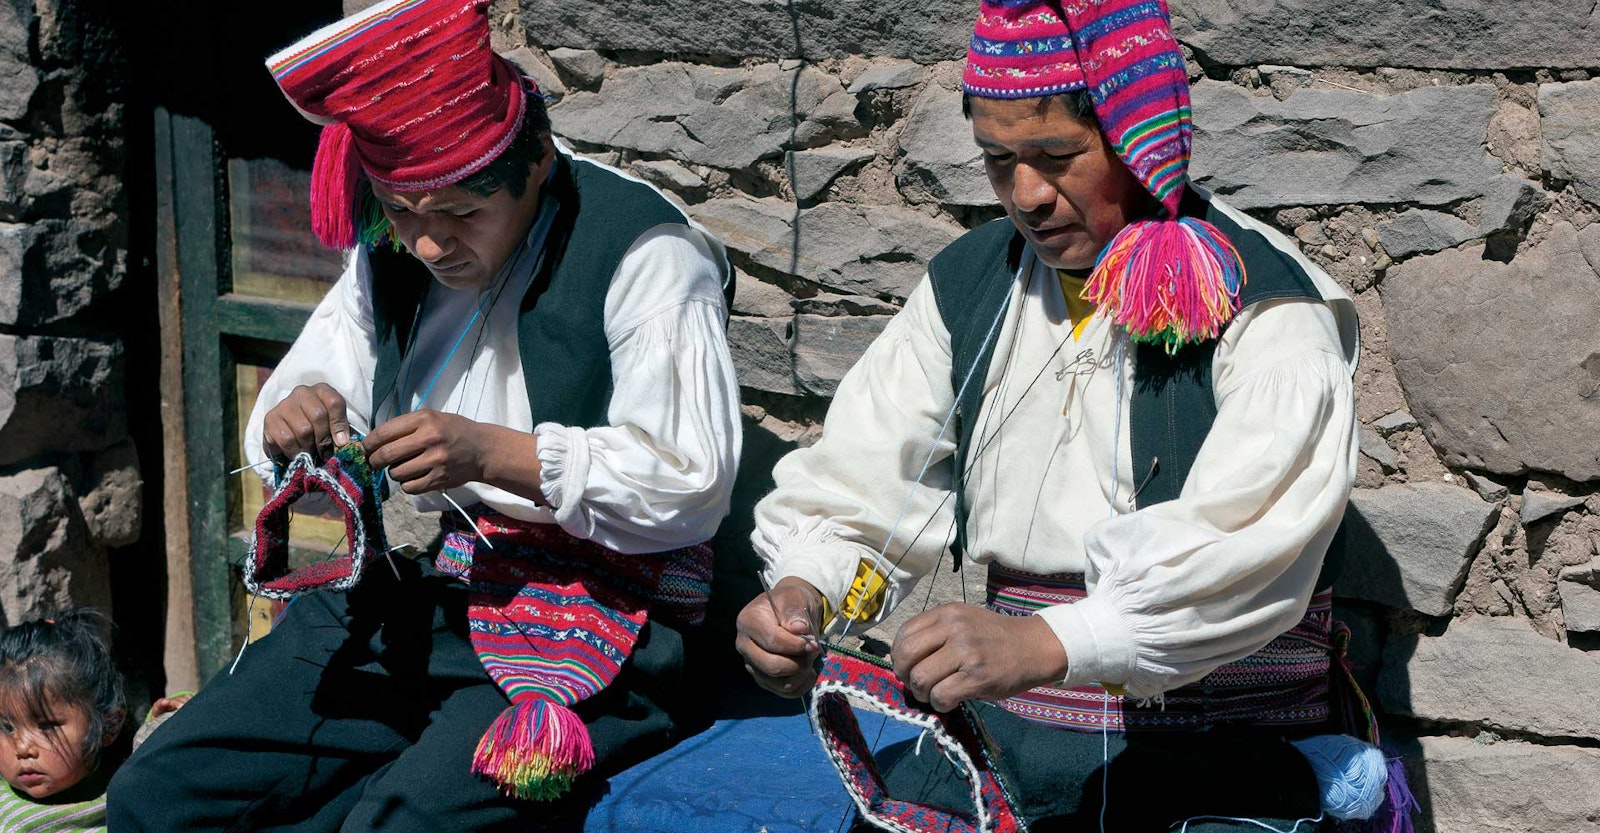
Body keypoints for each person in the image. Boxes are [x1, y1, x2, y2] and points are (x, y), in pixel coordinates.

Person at [108, 0, 739, 829]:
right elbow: (317, 373)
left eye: (462, 215)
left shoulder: (647, 255)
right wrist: (294, 419)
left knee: (396, 821)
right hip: (440, 589)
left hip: (600, 612)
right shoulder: (391, 251)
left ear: (538, 158)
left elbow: (691, 484)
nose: (431, 245)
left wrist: (491, 454)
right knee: (162, 790)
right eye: (404, 211)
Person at [736, 1, 1364, 830]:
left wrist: (1044, 646)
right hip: (1007, 733)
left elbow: (1249, 547)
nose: (1027, 195)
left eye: (1057, 156)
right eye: (998, 161)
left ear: (1141, 140)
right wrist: (805, 589)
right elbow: (870, 480)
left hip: (1218, 745)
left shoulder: (1268, 308)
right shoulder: (969, 285)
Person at [0, 610, 127, 832]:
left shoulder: (133, 797)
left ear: (110, 725)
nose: (22, 747)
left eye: (47, 726)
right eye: (7, 727)